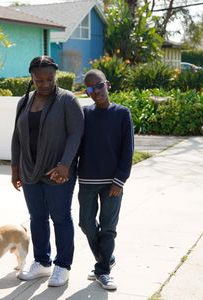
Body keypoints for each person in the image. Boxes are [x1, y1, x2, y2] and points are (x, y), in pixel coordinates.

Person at [11, 56, 84, 287]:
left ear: (56, 76)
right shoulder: (24, 102)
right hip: (29, 169)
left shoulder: (67, 100)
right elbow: (17, 137)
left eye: (49, 79)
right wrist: (15, 168)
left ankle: (62, 265)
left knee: (60, 217)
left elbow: (76, 134)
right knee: (37, 218)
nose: (44, 84)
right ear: (31, 78)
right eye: (38, 80)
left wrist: (65, 164)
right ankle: (42, 262)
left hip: (57, 171)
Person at [77, 69, 134, 291]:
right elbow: (77, 146)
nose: (95, 91)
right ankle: (106, 257)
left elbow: (127, 150)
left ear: (107, 85)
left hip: (113, 183)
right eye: (90, 89)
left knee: (108, 227)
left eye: (99, 86)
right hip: (87, 181)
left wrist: (120, 180)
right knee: (86, 223)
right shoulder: (85, 114)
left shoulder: (122, 113)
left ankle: (103, 271)